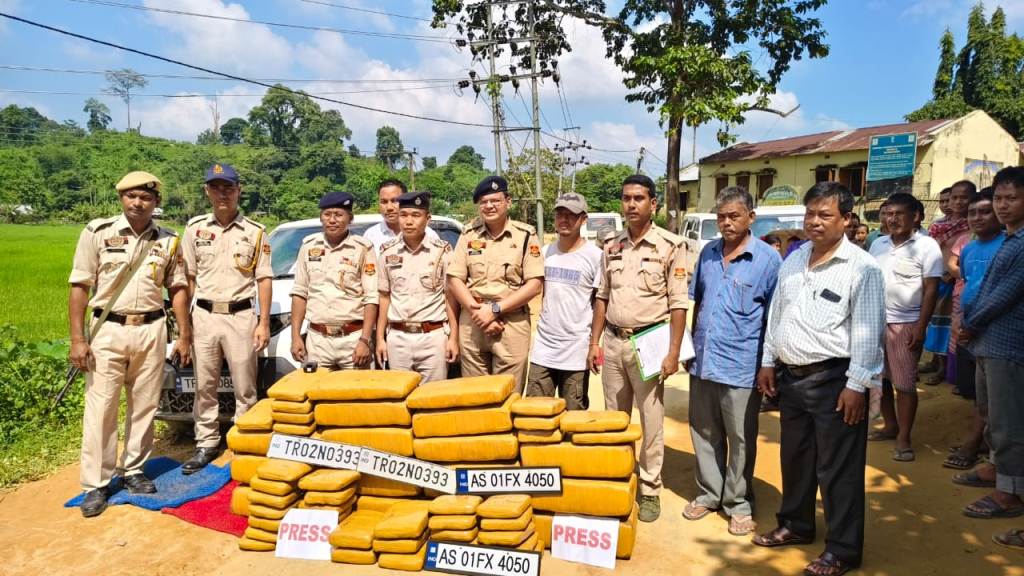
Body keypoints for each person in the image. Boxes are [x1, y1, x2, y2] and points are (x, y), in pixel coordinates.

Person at [752, 182, 885, 576]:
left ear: (846, 219)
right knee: (796, 459)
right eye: (810, 213)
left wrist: (857, 386)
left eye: (824, 215)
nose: (814, 221)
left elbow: (868, 331)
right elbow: (778, 314)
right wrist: (767, 361)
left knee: (838, 470)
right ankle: (795, 524)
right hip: (791, 380)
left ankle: (843, 550)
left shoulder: (863, 268)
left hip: (835, 381)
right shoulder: (794, 260)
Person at [68, 171, 191, 517]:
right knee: (101, 407)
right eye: (132, 196)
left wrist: (184, 334)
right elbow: (79, 286)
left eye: (146, 198)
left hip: (152, 329)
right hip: (108, 330)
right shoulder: (98, 233)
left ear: (156, 202)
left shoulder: (168, 240)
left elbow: (178, 288)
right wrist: (78, 339)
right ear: (122, 198)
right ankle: (96, 482)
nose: (138, 203)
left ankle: (134, 469)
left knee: (145, 404)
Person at [587, 174, 689, 523]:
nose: (631, 205)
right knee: (614, 418)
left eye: (639, 199)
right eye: (626, 198)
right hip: (613, 341)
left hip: (649, 342)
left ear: (653, 204)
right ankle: (618, 478)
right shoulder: (611, 246)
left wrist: (673, 352)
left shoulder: (671, 246)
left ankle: (649, 488)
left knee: (651, 419)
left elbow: (678, 305)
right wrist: (594, 342)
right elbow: (602, 297)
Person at [683, 187, 781, 536]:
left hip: (742, 365)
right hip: (703, 361)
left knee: (740, 437)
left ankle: (738, 503)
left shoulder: (769, 260)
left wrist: (768, 365)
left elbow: (774, 317)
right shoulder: (708, 253)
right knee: (704, 431)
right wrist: (688, 350)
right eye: (721, 216)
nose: (726, 223)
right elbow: (697, 303)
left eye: (734, 216)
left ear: (750, 217)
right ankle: (710, 493)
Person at [182, 163, 272, 474]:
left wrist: (262, 322)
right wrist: (188, 322)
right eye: (216, 187)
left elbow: (264, 278)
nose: (223, 193)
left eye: (228, 187)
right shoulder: (194, 230)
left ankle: (244, 441)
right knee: (204, 384)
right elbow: (188, 278)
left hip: (241, 315)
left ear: (238, 191)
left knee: (245, 385)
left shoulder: (256, 232)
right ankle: (206, 442)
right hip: (205, 315)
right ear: (207, 191)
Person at [959, 167, 1024, 551]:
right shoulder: (1009, 240)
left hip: (1009, 344)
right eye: (999, 198)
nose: (1002, 205)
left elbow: (1005, 295)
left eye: (1011, 198)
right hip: (987, 342)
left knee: (1009, 422)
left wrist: (971, 321)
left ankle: (1009, 493)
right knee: (992, 413)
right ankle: (1000, 470)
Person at [447, 176, 543, 391]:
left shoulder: (526, 235)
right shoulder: (468, 234)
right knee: (476, 393)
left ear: (508, 201)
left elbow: (535, 284)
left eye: (495, 200)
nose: (489, 206)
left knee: (509, 391)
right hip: (473, 322)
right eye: (483, 202)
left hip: (512, 323)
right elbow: (455, 279)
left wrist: (495, 310)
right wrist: (479, 313)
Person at [868, 193, 942, 462]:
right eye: (888, 213)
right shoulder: (877, 245)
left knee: (905, 384)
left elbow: (931, 288)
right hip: (875, 323)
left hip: (906, 324)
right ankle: (890, 426)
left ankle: (904, 437)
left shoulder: (927, 246)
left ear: (916, 217)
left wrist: (921, 328)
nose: (893, 219)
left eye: (899, 213)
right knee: (880, 380)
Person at [526, 193, 603, 410]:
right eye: (560, 214)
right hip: (544, 349)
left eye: (572, 215)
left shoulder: (595, 257)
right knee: (536, 414)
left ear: (584, 219)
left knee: (573, 418)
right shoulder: (545, 253)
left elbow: (600, 303)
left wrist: (594, 344)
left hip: (576, 351)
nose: (564, 219)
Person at [944, 187, 1003, 471]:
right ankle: (984, 443)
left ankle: (988, 456)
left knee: (999, 398)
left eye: (984, 211)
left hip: (996, 332)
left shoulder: (1008, 245)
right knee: (978, 394)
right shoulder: (968, 248)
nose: (977, 218)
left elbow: (1000, 295)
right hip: (969, 329)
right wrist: (960, 321)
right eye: (972, 213)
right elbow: (968, 286)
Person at [375, 191, 458, 382]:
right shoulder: (387, 252)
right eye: (404, 215)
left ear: (427, 219)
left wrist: (453, 338)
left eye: (416, 215)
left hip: (433, 337)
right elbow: (384, 297)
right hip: (398, 337)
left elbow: (449, 298)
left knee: (433, 400)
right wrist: (380, 339)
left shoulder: (442, 251)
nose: (409, 221)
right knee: (400, 397)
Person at [290, 192, 377, 370]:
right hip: (317, 340)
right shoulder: (308, 247)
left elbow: (371, 298)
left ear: (350, 218)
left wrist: (365, 340)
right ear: (321, 218)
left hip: (352, 339)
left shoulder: (363, 248)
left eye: (338, 215)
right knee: (316, 393)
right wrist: (295, 336)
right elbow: (300, 293)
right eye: (327, 214)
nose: (332, 220)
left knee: (356, 394)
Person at [923, 181, 974, 385]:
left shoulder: (973, 224)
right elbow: (932, 250)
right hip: (937, 277)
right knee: (933, 322)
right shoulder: (938, 224)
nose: (957, 201)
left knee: (948, 327)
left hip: (959, 280)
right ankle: (935, 361)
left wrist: (953, 273)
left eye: (964, 197)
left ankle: (946, 368)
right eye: (954, 197)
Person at [362, 179, 438, 253]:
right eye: (384, 202)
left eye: (394, 201)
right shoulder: (370, 235)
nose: (389, 208)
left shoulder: (429, 234)